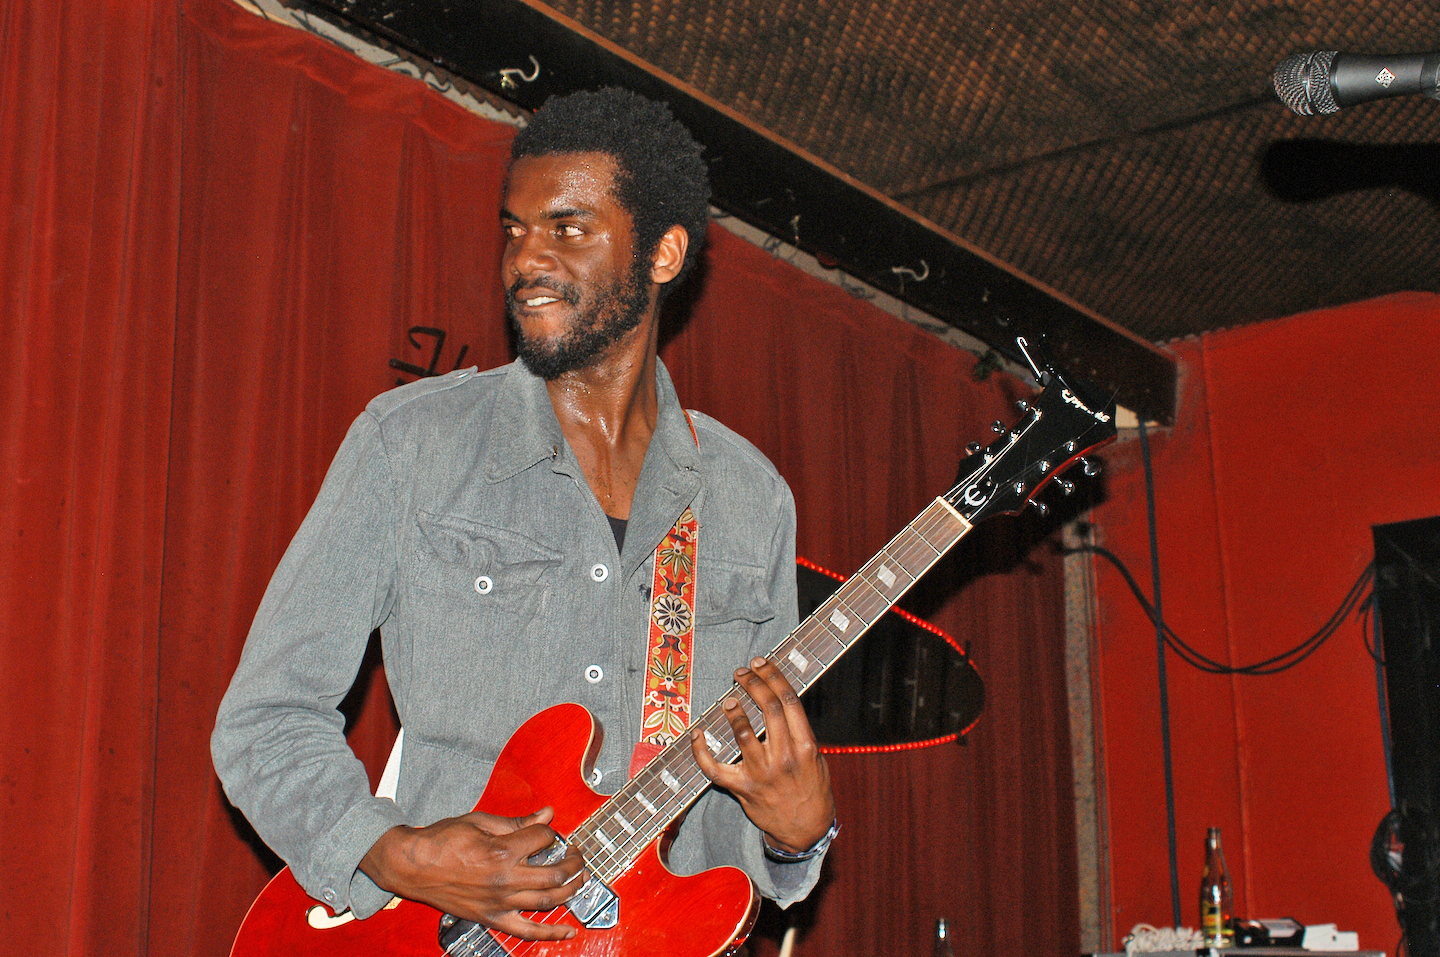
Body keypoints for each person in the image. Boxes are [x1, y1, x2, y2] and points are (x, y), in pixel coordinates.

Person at [211, 87, 836, 942]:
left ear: (664, 253)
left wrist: (795, 834)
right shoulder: (412, 444)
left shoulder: (746, 498)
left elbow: (731, 822)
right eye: (514, 228)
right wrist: (391, 852)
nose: (524, 260)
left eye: (568, 228)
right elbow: (264, 718)